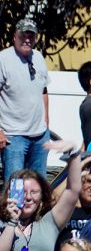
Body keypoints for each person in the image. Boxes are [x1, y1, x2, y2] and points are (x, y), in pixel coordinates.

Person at [0, 19, 52, 176]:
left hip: (40, 136)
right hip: (13, 136)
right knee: (15, 188)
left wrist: (46, 122)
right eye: (23, 35)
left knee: (38, 187)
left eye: (31, 36)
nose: (27, 40)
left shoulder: (38, 57)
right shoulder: (3, 59)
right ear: (15, 36)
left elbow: (43, 90)